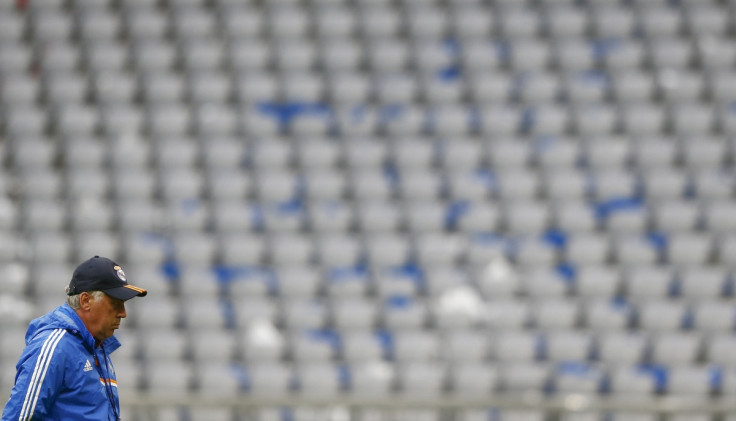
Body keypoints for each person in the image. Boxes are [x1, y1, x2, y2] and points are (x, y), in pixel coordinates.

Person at [1, 256, 147, 421]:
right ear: (85, 301)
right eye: (115, 304)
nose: (123, 313)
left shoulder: (96, 348)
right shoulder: (56, 346)